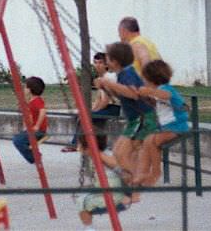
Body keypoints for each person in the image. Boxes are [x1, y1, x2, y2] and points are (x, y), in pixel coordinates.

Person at [96, 42, 157, 201]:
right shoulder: (122, 75)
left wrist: (109, 83)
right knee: (117, 152)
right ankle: (131, 186)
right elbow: (121, 97)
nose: (106, 61)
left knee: (123, 154)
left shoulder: (127, 73)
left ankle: (134, 190)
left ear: (115, 61)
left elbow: (133, 94)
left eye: (107, 58)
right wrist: (105, 87)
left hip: (143, 118)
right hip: (135, 120)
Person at [132, 59, 189, 186]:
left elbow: (167, 96)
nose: (143, 81)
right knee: (146, 142)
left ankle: (156, 173)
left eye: (145, 78)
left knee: (151, 141)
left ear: (152, 79)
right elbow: (157, 103)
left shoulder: (166, 89)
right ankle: (142, 173)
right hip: (167, 127)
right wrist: (145, 97)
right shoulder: (158, 91)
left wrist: (149, 92)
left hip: (177, 126)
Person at [63, 51, 121, 152]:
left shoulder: (108, 78)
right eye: (95, 62)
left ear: (106, 64)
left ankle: (76, 144)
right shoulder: (100, 78)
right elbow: (99, 99)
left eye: (100, 63)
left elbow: (105, 101)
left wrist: (92, 113)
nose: (97, 65)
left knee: (85, 118)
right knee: (84, 116)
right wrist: (91, 110)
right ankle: (82, 143)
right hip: (108, 107)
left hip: (115, 108)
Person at [75, 133, 131, 231]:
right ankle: (88, 227)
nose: (77, 147)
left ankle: (89, 228)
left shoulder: (102, 156)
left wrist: (129, 194)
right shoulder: (93, 157)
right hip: (108, 191)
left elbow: (121, 170)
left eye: (79, 144)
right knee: (81, 197)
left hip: (115, 196)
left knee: (81, 201)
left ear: (88, 147)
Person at [12, 76, 47, 164]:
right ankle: (34, 156)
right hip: (33, 129)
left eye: (25, 87)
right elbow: (30, 117)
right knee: (18, 139)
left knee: (17, 141)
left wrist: (37, 126)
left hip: (39, 131)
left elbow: (42, 111)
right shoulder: (31, 101)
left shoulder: (37, 100)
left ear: (30, 89)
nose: (24, 89)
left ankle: (34, 157)